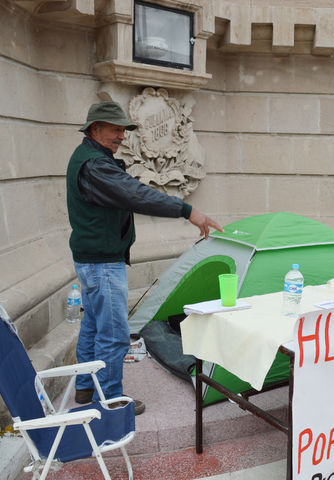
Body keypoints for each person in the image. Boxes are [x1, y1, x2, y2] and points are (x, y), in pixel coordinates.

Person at [66, 101, 223, 415]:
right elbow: (136, 194)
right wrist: (187, 210)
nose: (122, 136)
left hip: (93, 259)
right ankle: (110, 402)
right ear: (95, 128)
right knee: (113, 334)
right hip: (102, 263)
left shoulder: (91, 158)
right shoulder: (95, 165)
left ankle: (85, 388)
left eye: (123, 130)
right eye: (115, 129)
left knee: (93, 326)